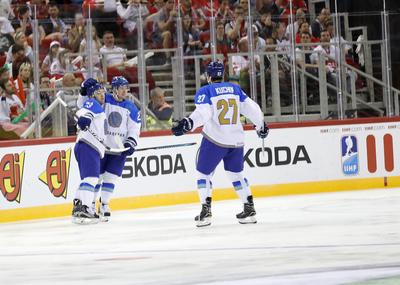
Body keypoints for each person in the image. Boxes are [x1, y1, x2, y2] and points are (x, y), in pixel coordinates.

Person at [171, 61, 269, 227]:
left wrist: (188, 123)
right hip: (237, 141)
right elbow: (252, 108)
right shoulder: (235, 88)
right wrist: (261, 126)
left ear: (208, 76)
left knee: (203, 174)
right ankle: (249, 208)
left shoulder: (206, 90)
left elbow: (203, 113)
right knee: (236, 174)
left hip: (215, 140)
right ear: (222, 75)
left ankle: (205, 211)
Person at [77, 76, 141, 221]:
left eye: (126, 88)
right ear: (114, 89)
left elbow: (134, 128)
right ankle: (91, 204)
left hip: (118, 148)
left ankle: (104, 204)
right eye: (122, 88)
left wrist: (131, 142)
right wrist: (82, 91)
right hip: (102, 146)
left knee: (111, 177)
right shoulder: (103, 98)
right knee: (97, 177)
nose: (125, 91)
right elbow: (84, 105)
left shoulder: (131, 107)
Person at [72, 83, 106, 224]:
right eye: (98, 92)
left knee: (88, 180)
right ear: (92, 95)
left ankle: (78, 207)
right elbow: (84, 115)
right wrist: (84, 120)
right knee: (92, 179)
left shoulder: (94, 105)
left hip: (86, 146)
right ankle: (86, 208)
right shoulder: (93, 103)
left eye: (103, 92)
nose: (102, 95)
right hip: (89, 145)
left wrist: (82, 120)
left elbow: (80, 114)